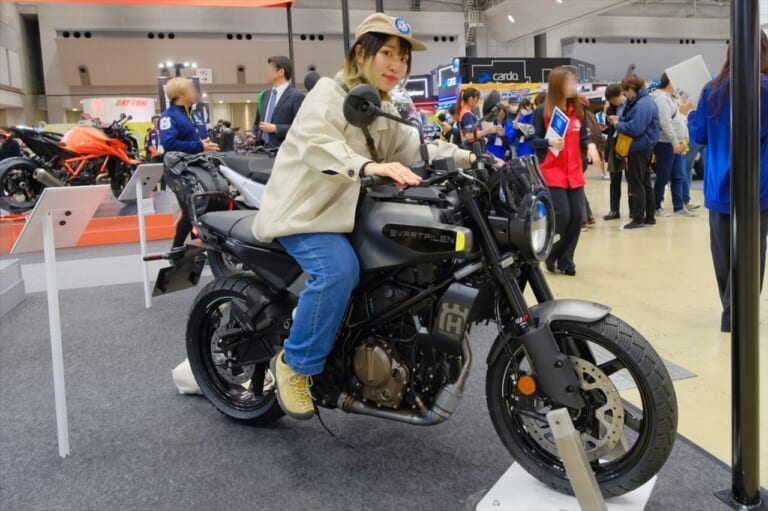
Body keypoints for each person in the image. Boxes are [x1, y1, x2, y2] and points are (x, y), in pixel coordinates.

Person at [251, 13, 477, 420]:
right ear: (361, 53)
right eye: (387, 53)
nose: (396, 65)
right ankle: (294, 364)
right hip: (307, 214)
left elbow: (417, 147)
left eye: (403, 58)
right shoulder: (328, 93)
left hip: (347, 214)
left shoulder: (379, 106)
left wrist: (471, 158)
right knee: (338, 272)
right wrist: (369, 166)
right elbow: (318, 143)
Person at [687, 31, 768, 333]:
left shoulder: (712, 90)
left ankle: (730, 312)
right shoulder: (765, 89)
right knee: (752, 252)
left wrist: (690, 113)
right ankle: (740, 314)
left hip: (719, 187)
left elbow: (698, 136)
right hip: (758, 187)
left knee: (722, 253)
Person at [530, 67, 601, 276]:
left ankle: (566, 260)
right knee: (562, 214)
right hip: (552, 172)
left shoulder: (578, 111)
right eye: (570, 83)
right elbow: (533, 140)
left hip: (575, 173)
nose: (574, 86)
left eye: (574, 82)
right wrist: (549, 142)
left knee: (578, 216)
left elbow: (584, 137)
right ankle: (552, 252)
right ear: (557, 85)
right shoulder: (542, 112)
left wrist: (591, 146)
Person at [158, 76, 219, 248]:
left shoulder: (196, 115)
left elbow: (201, 140)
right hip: (179, 171)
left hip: (198, 168)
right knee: (190, 211)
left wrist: (207, 146)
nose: (195, 92)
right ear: (181, 94)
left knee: (201, 208)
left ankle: (196, 248)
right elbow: (169, 144)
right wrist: (199, 146)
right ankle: (177, 250)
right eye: (191, 89)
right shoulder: (168, 117)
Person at [609, 74, 660, 230]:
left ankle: (638, 218)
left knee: (636, 183)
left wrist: (618, 124)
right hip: (644, 147)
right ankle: (649, 217)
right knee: (645, 182)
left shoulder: (642, 104)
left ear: (632, 88)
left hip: (638, 147)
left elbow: (635, 128)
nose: (625, 95)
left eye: (625, 92)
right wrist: (621, 121)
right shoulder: (644, 102)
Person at [652, 73, 694, 217]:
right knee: (663, 176)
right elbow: (665, 122)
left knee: (678, 175)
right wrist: (675, 141)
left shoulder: (670, 98)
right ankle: (656, 206)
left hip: (676, 143)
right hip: (666, 143)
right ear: (670, 82)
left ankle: (679, 206)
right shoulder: (661, 99)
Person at [252, 56, 305, 148]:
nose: (266, 72)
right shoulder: (264, 96)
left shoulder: (297, 97)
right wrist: (253, 135)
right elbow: (257, 123)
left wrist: (276, 128)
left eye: (270, 69)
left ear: (281, 72)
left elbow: (300, 127)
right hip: (261, 150)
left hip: (283, 150)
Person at [602, 84, 628, 220]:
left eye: (614, 99)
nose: (613, 103)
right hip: (614, 144)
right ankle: (614, 210)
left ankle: (634, 210)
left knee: (632, 179)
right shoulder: (611, 108)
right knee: (614, 179)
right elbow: (610, 129)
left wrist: (619, 122)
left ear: (621, 94)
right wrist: (605, 128)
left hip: (628, 143)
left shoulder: (631, 105)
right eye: (610, 101)